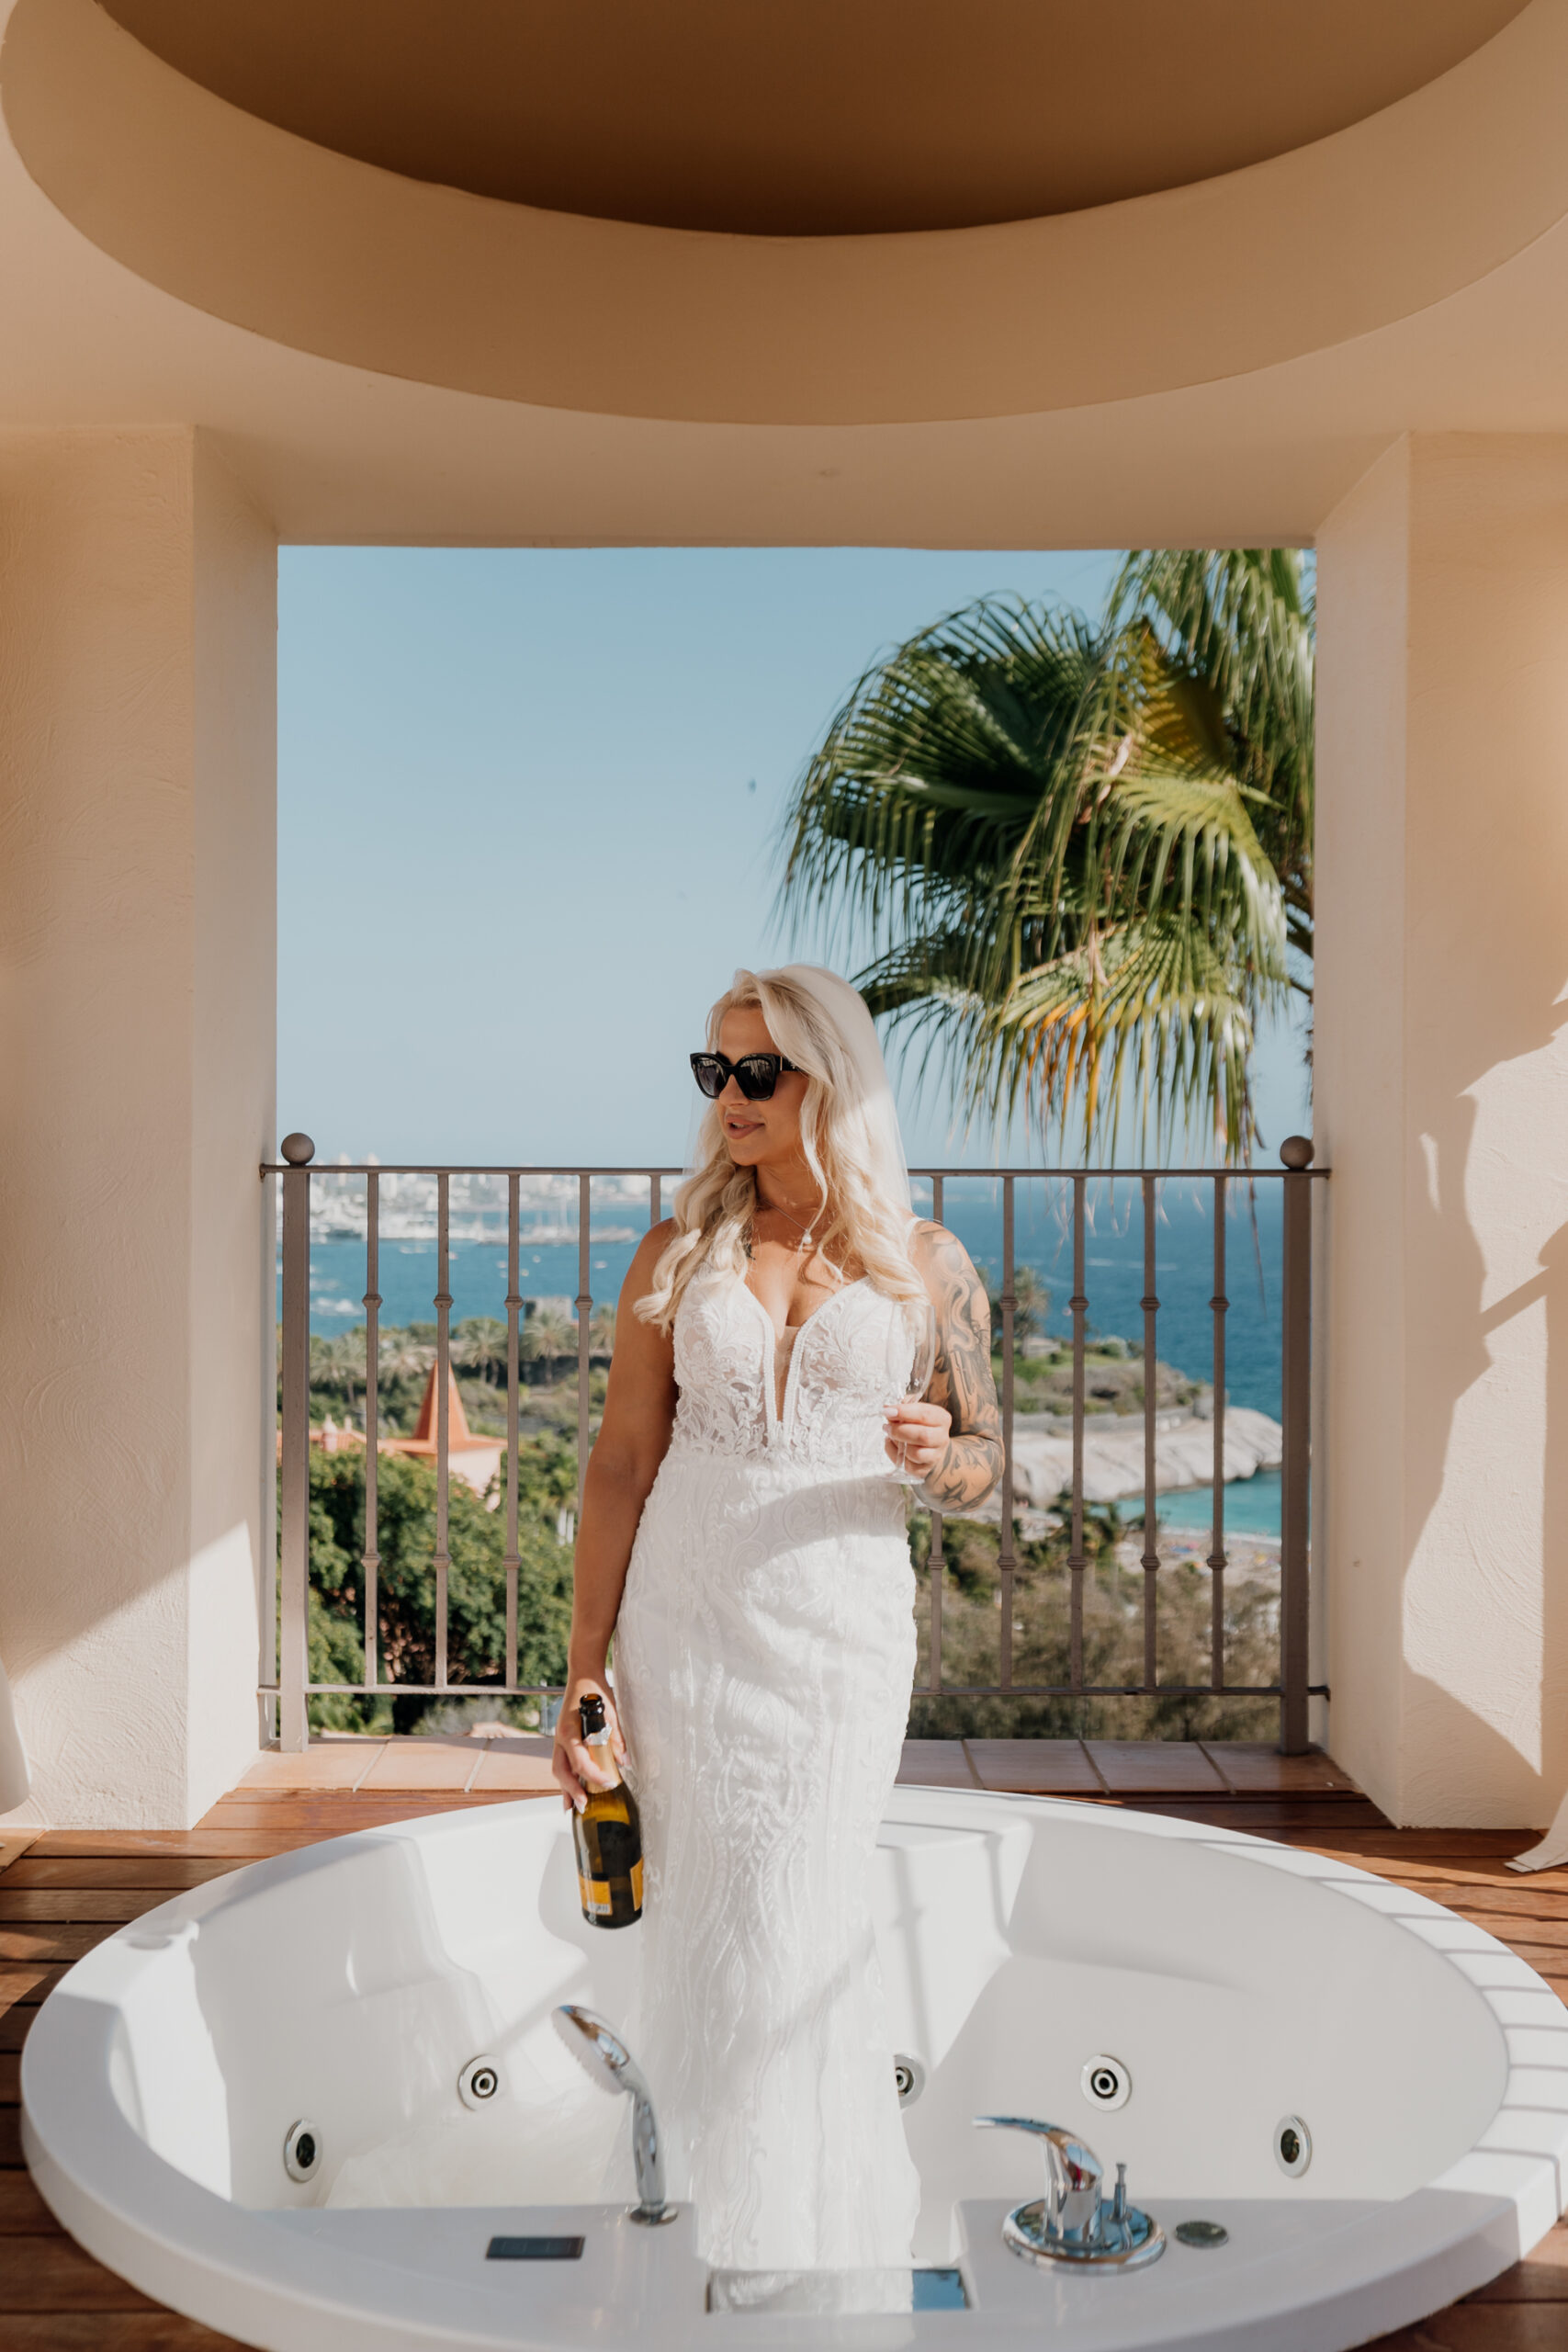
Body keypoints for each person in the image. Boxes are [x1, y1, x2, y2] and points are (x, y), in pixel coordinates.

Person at [551, 965, 1002, 2270]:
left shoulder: (927, 1265)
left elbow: (985, 1462)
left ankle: (810, 2246)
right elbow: (622, 1463)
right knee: (703, 1932)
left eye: (761, 1071)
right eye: (716, 1071)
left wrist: (936, 1456)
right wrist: (587, 1676)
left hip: (840, 1642)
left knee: (797, 1929)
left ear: (832, 1079)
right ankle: (694, 2240)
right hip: (685, 1633)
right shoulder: (678, 1248)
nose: (731, 1099)